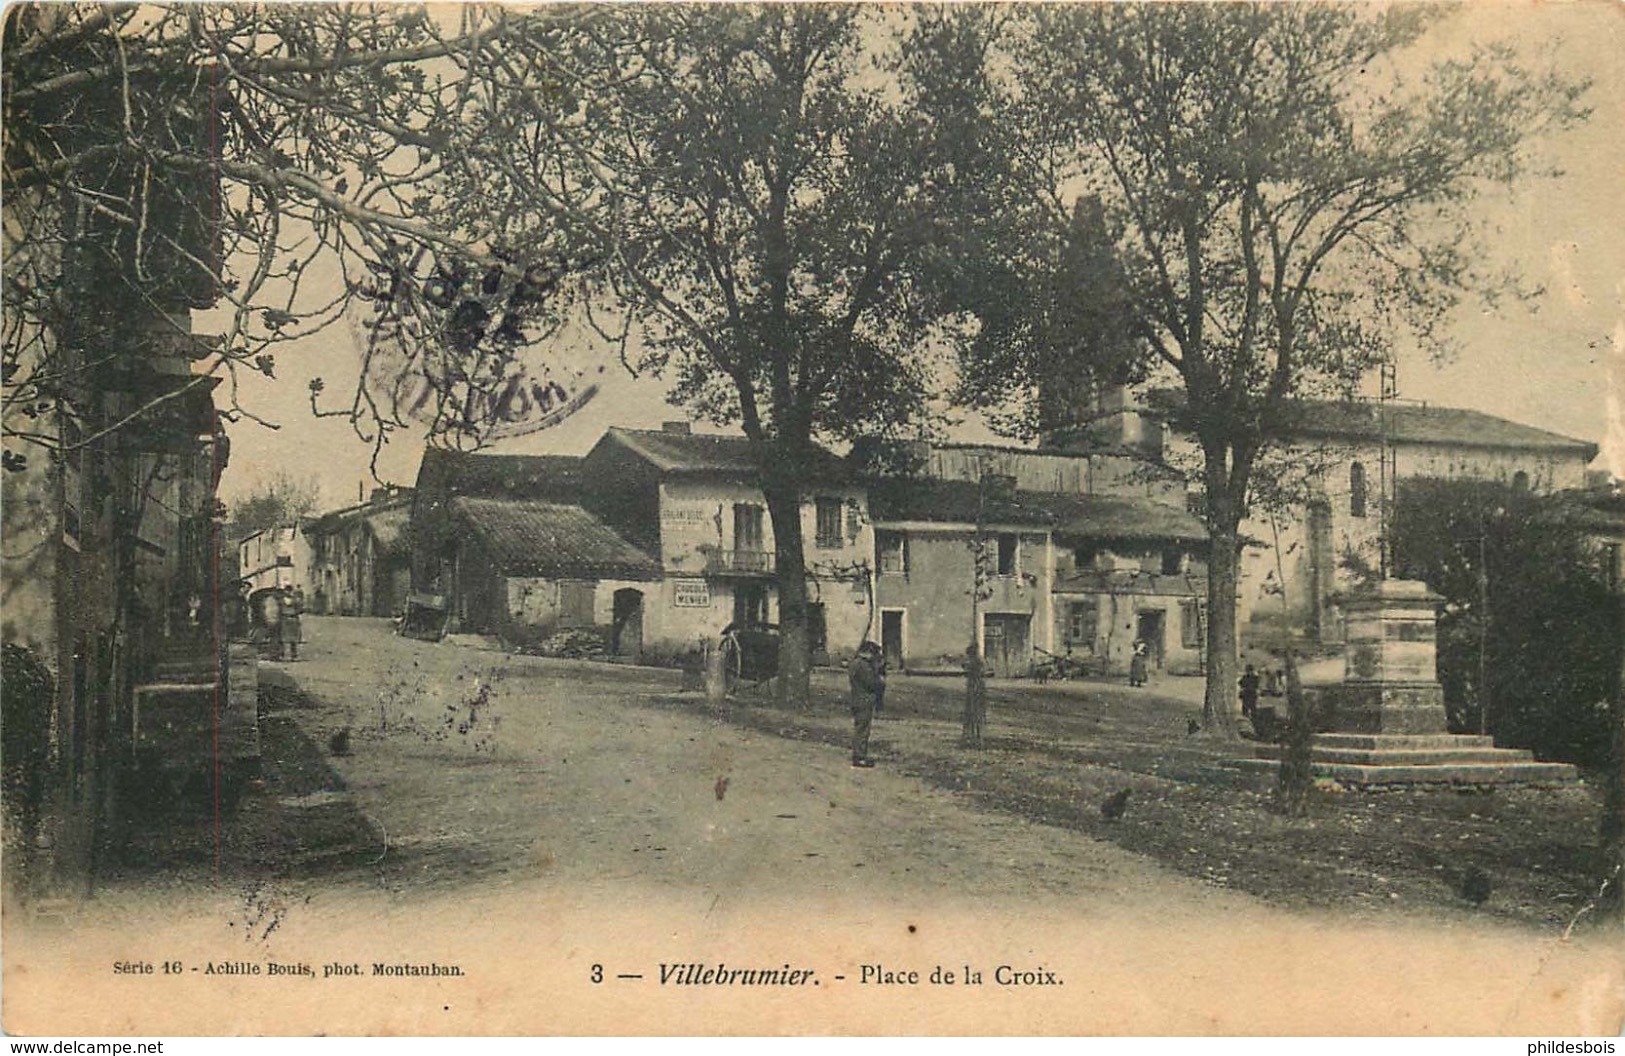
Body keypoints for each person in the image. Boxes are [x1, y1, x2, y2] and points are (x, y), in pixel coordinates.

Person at [848, 641, 884, 768]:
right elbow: (872, 684)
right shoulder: (863, 666)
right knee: (863, 730)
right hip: (864, 700)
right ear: (868, 652)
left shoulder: (855, 663)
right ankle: (860, 756)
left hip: (857, 699)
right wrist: (879, 677)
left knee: (860, 728)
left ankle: (859, 754)